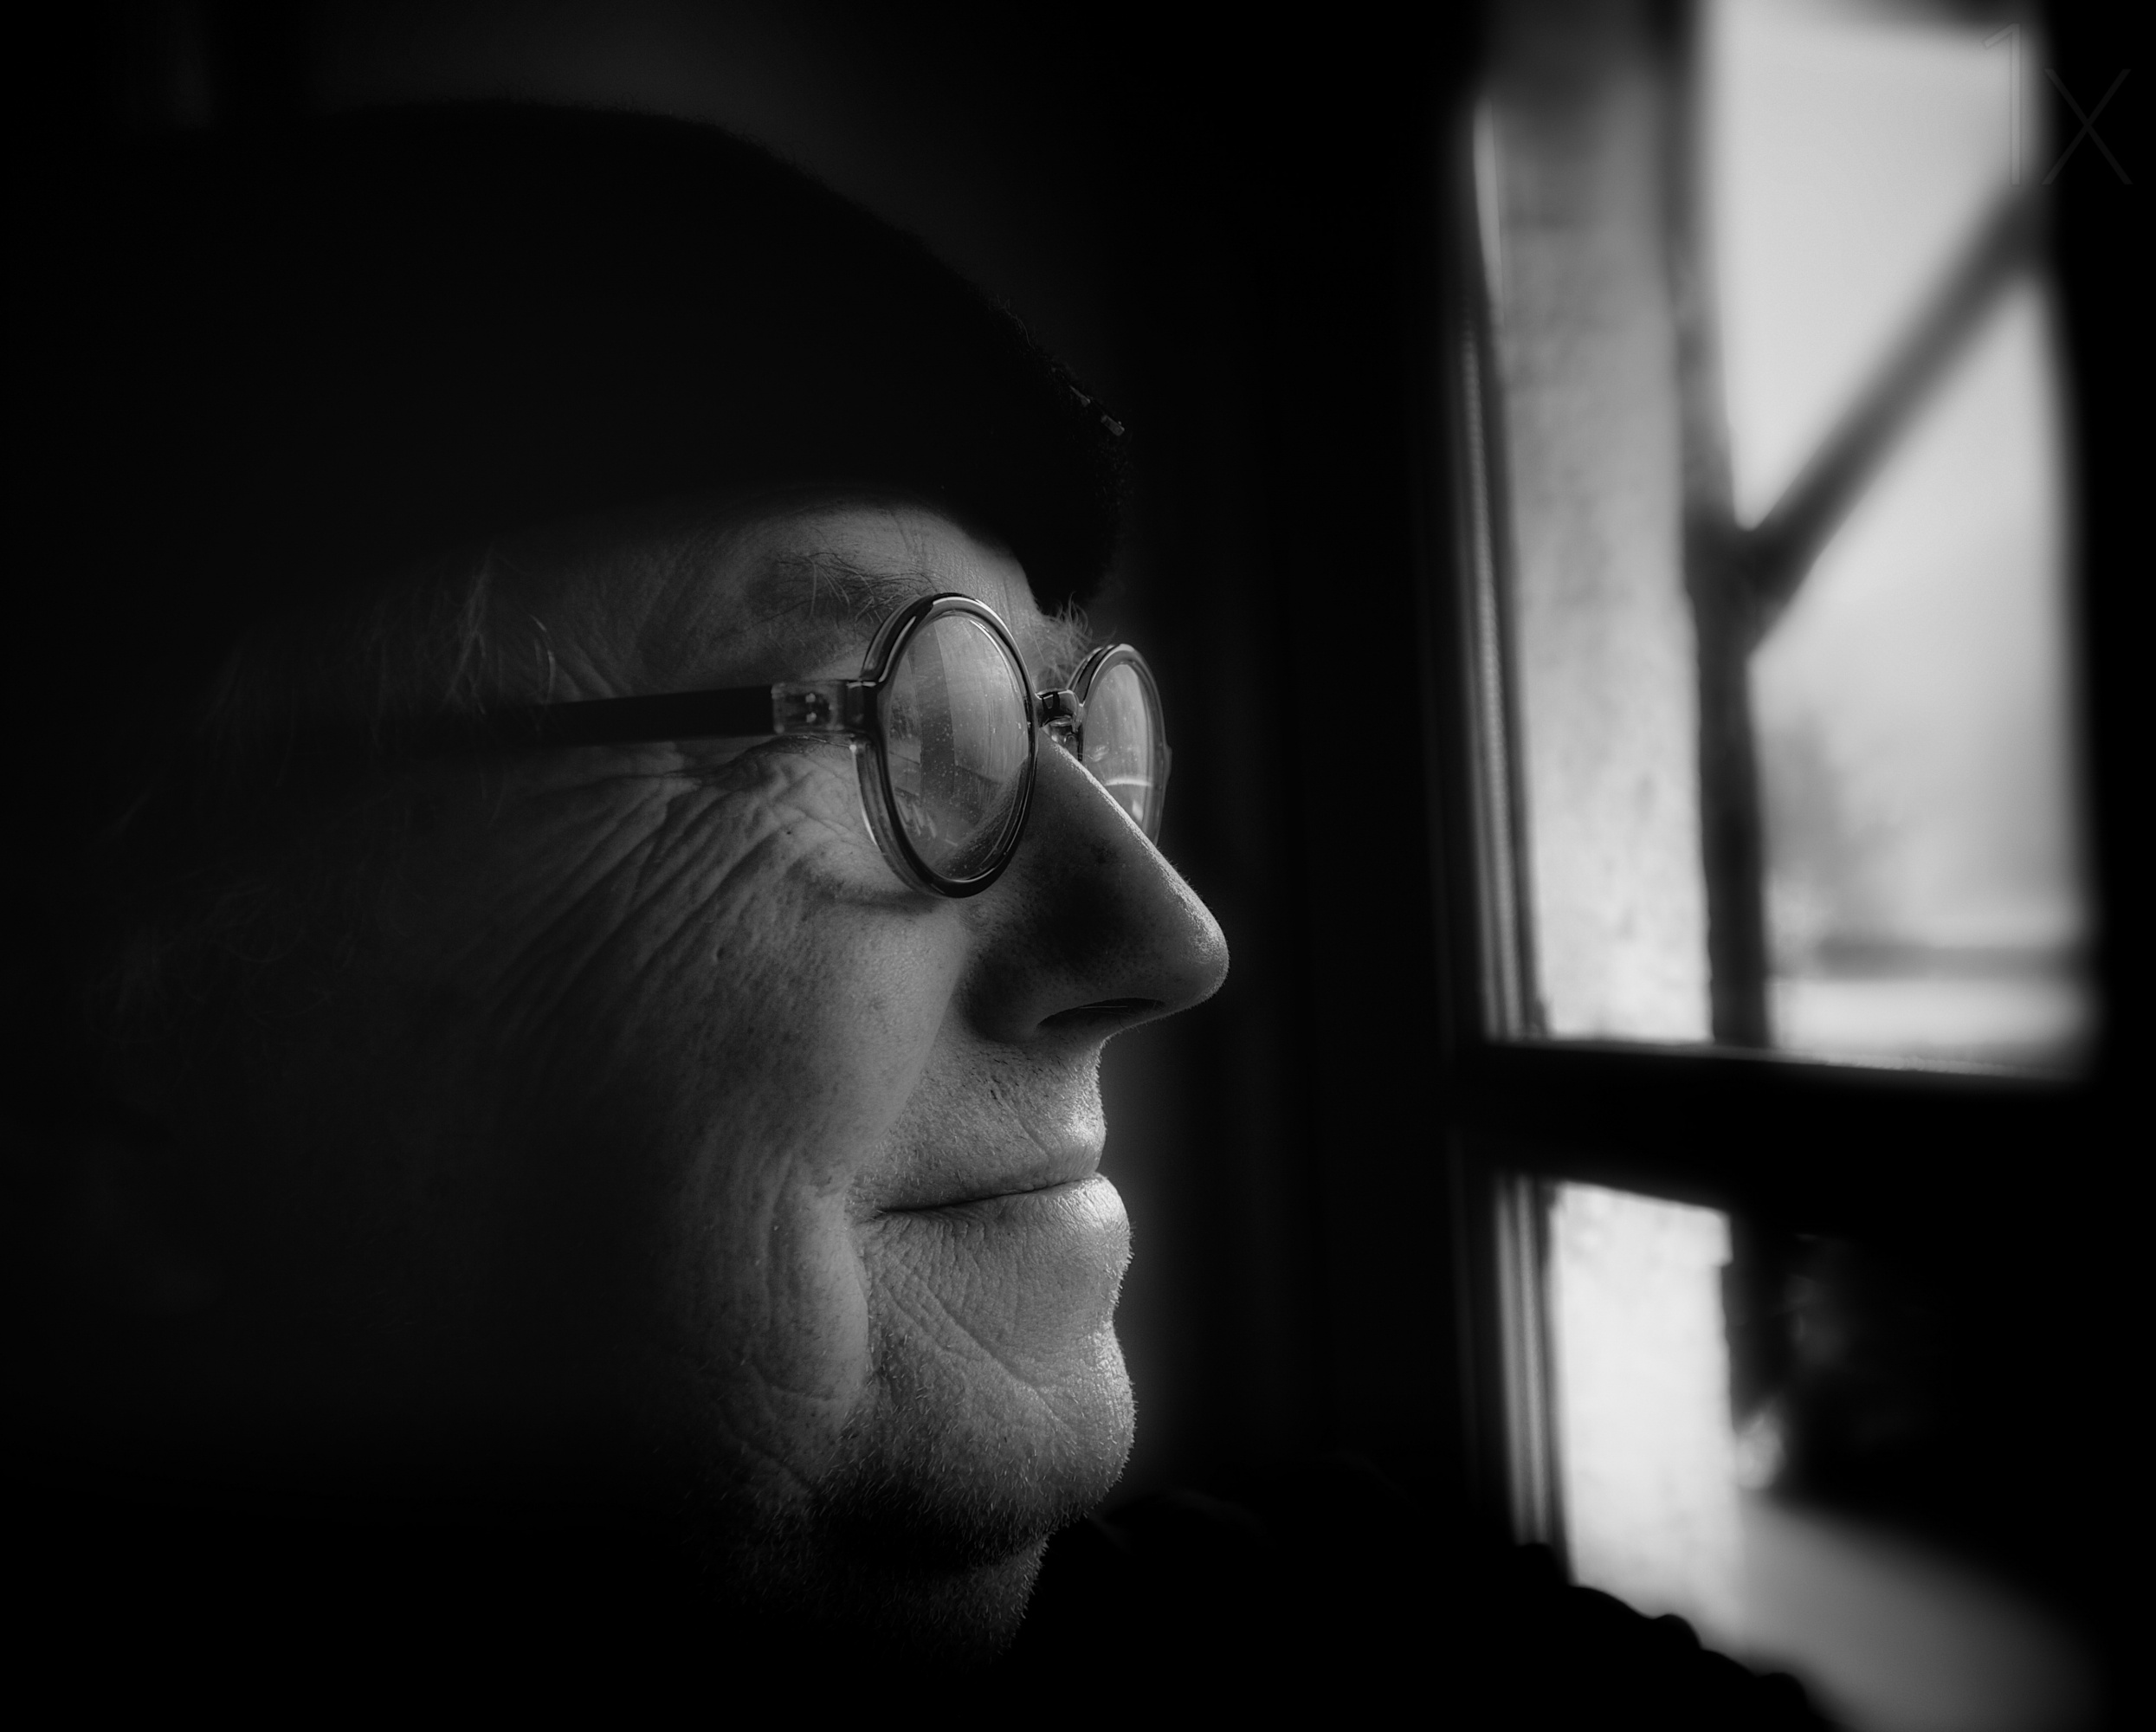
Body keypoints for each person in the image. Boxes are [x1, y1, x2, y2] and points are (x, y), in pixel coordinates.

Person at [10, 101, 1824, 1721]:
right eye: (891, 725)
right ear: (116, 1074)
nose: (1168, 943)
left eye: (1055, 726)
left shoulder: (1395, 1646)